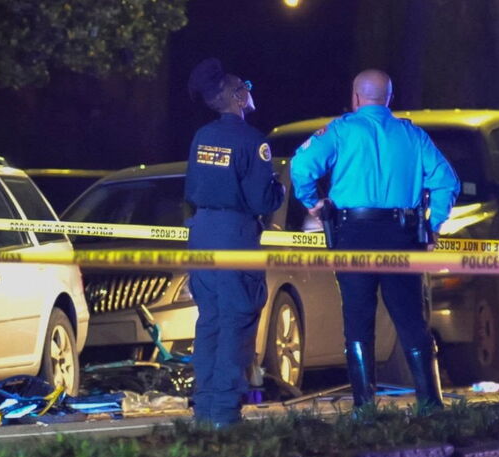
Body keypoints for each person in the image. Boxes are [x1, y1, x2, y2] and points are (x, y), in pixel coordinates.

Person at [290, 69, 460, 410]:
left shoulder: (339, 131)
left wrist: (313, 203)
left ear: (355, 98)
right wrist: (435, 225)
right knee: (411, 319)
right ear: (389, 99)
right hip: (402, 234)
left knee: (357, 319)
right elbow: (447, 180)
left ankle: (364, 409)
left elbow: (301, 165)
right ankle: (431, 405)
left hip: (353, 233)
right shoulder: (412, 134)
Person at [184, 58, 284, 428]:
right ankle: (225, 415)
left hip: (202, 237)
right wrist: (280, 190)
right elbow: (262, 200)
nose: (250, 92)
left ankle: (205, 411)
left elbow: (192, 188)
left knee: (209, 321)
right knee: (237, 321)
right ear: (237, 97)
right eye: (246, 87)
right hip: (235, 237)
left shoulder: (203, 137)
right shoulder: (252, 141)